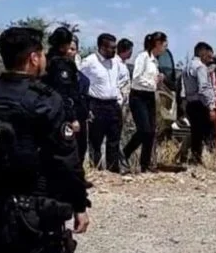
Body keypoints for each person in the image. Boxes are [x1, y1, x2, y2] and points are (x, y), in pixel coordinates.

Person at [0, 27, 90, 253]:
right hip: (39, 211)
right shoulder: (46, 100)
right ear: (33, 58)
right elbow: (65, 160)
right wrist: (79, 205)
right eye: (41, 54)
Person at [79, 33, 128, 173]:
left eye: (115, 47)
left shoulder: (116, 62)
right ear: (102, 47)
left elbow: (122, 79)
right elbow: (80, 81)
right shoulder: (89, 62)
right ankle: (96, 171)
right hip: (96, 105)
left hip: (113, 105)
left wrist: (120, 97)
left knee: (114, 140)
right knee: (96, 141)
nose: (114, 50)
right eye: (112, 48)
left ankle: (113, 171)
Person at [123, 32, 167, 173]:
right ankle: (125, 153)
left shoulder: (155, 61)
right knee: (144, 130)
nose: (165, 47)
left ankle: (145, 164)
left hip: (149, 96)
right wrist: (152, 83)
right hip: (138, 96)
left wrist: (158, 80)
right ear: (158, 43)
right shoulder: (142, 57)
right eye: (164, 44)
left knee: (151, 131)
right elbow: (136, 77)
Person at [41, 27, 82, 134]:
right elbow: (63, 93)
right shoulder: (61, 64)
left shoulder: (45, 60)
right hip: (61, 115)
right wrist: (72, 118)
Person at [184, 42, 216, 165]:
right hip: (200, 104)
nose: (209, 60)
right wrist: (211, 106)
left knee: (195, 134)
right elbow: (203, 88)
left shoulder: (187, 66)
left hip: (190, 103)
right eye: (208, 56)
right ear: (202, 53)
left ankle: (195, 159)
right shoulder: (200, 67)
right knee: (208, 133)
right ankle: (208, 160)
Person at [67, 35, 90, 165]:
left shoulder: (80, 75)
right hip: (61, 117)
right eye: (67, 48)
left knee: (80, 148)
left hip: (79, 117)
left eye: (72, 49)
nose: (69, 52)